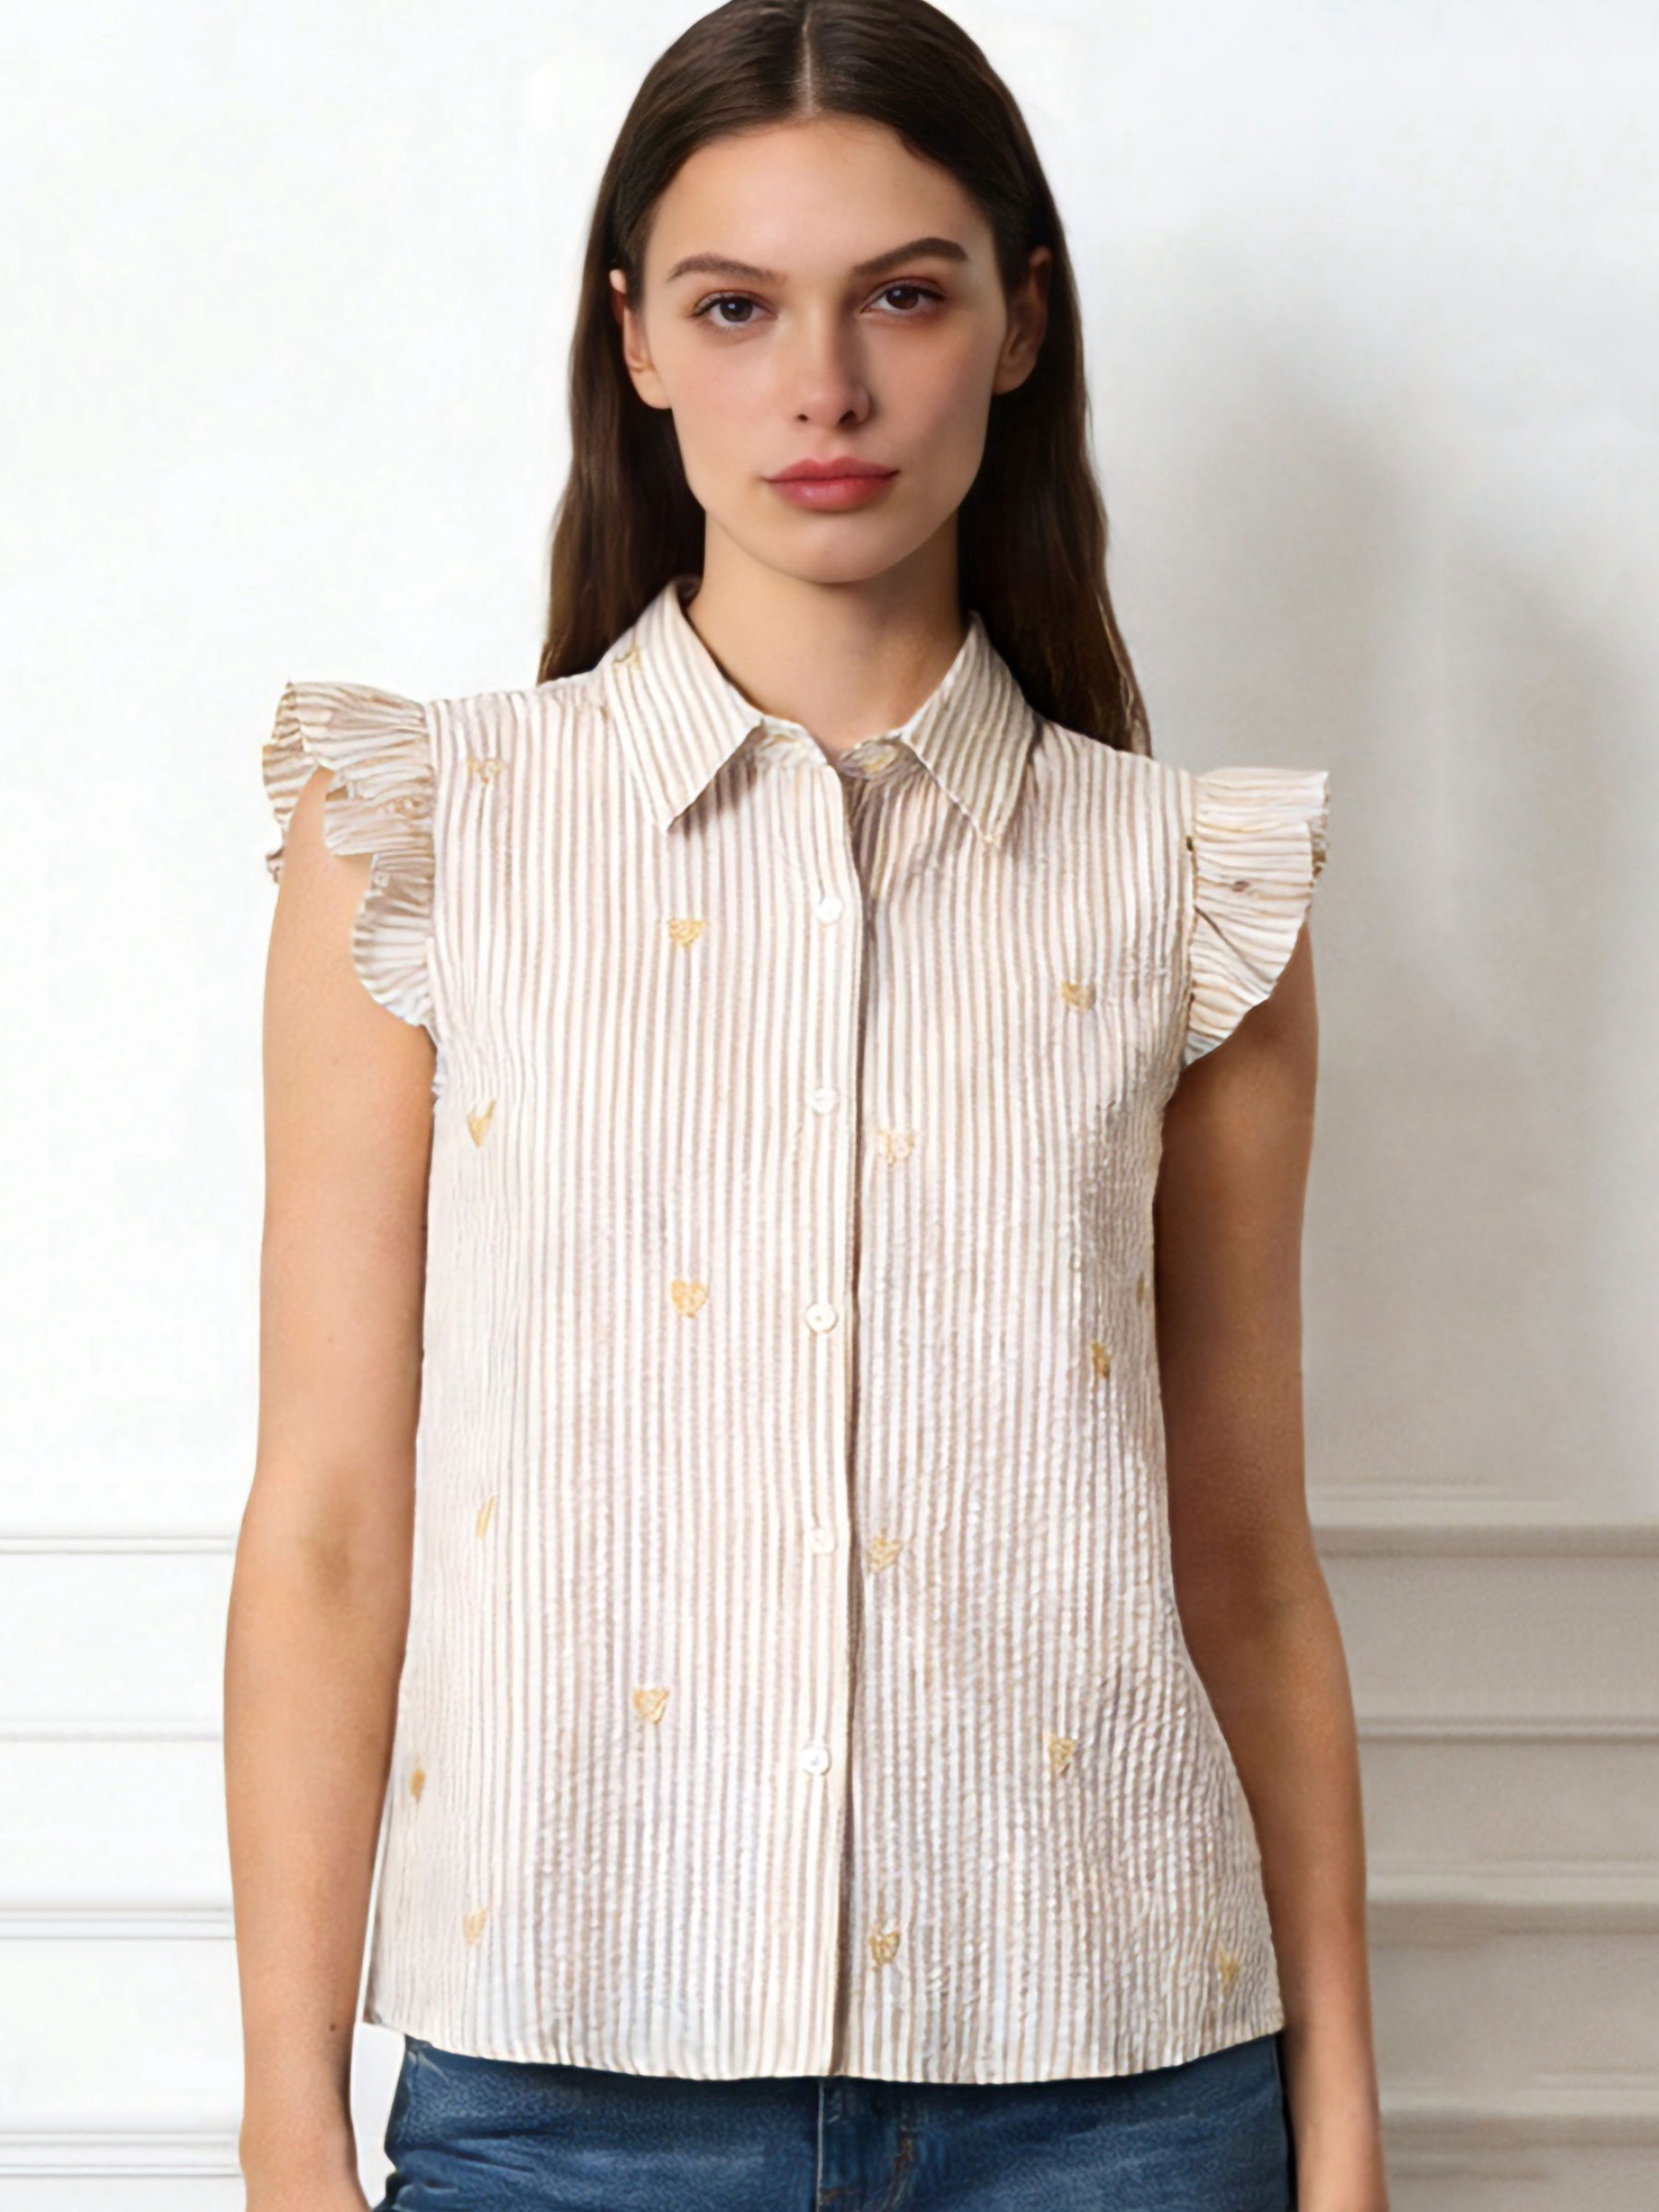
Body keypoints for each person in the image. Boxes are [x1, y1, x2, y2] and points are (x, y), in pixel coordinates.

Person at [226, 2, 1389, 2207]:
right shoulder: (424, 837)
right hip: (563, 2101)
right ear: (636, 341)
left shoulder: (1186, 885)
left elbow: (1247, 1563)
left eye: (905, 298)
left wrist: (1339, 2134)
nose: (823, 387)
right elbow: (328, 1530)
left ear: (1020, 324)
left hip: (1123, 2098)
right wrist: (290, 2123)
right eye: (737, 306)